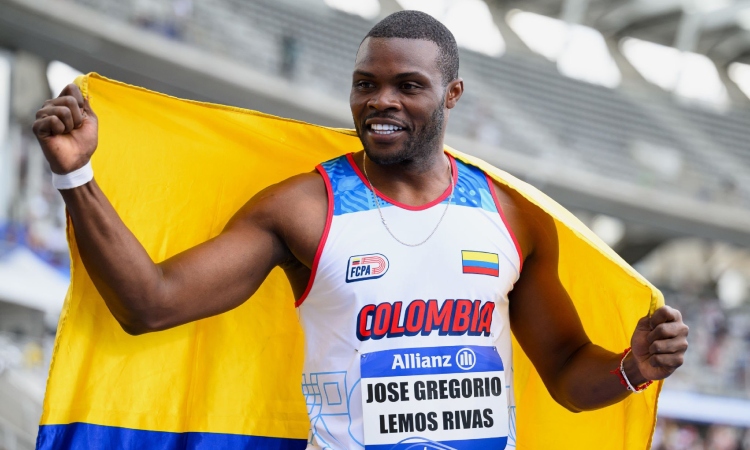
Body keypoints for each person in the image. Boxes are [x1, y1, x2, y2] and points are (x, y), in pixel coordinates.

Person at [32, 10, 688, 450]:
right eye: (365, 84)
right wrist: (76, 177)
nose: (382, 101)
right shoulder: (305, 208)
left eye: (409, 85)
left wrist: (632, 367)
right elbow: (150, 304)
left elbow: (570, 373)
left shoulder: (513, 218)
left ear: (452, 95)